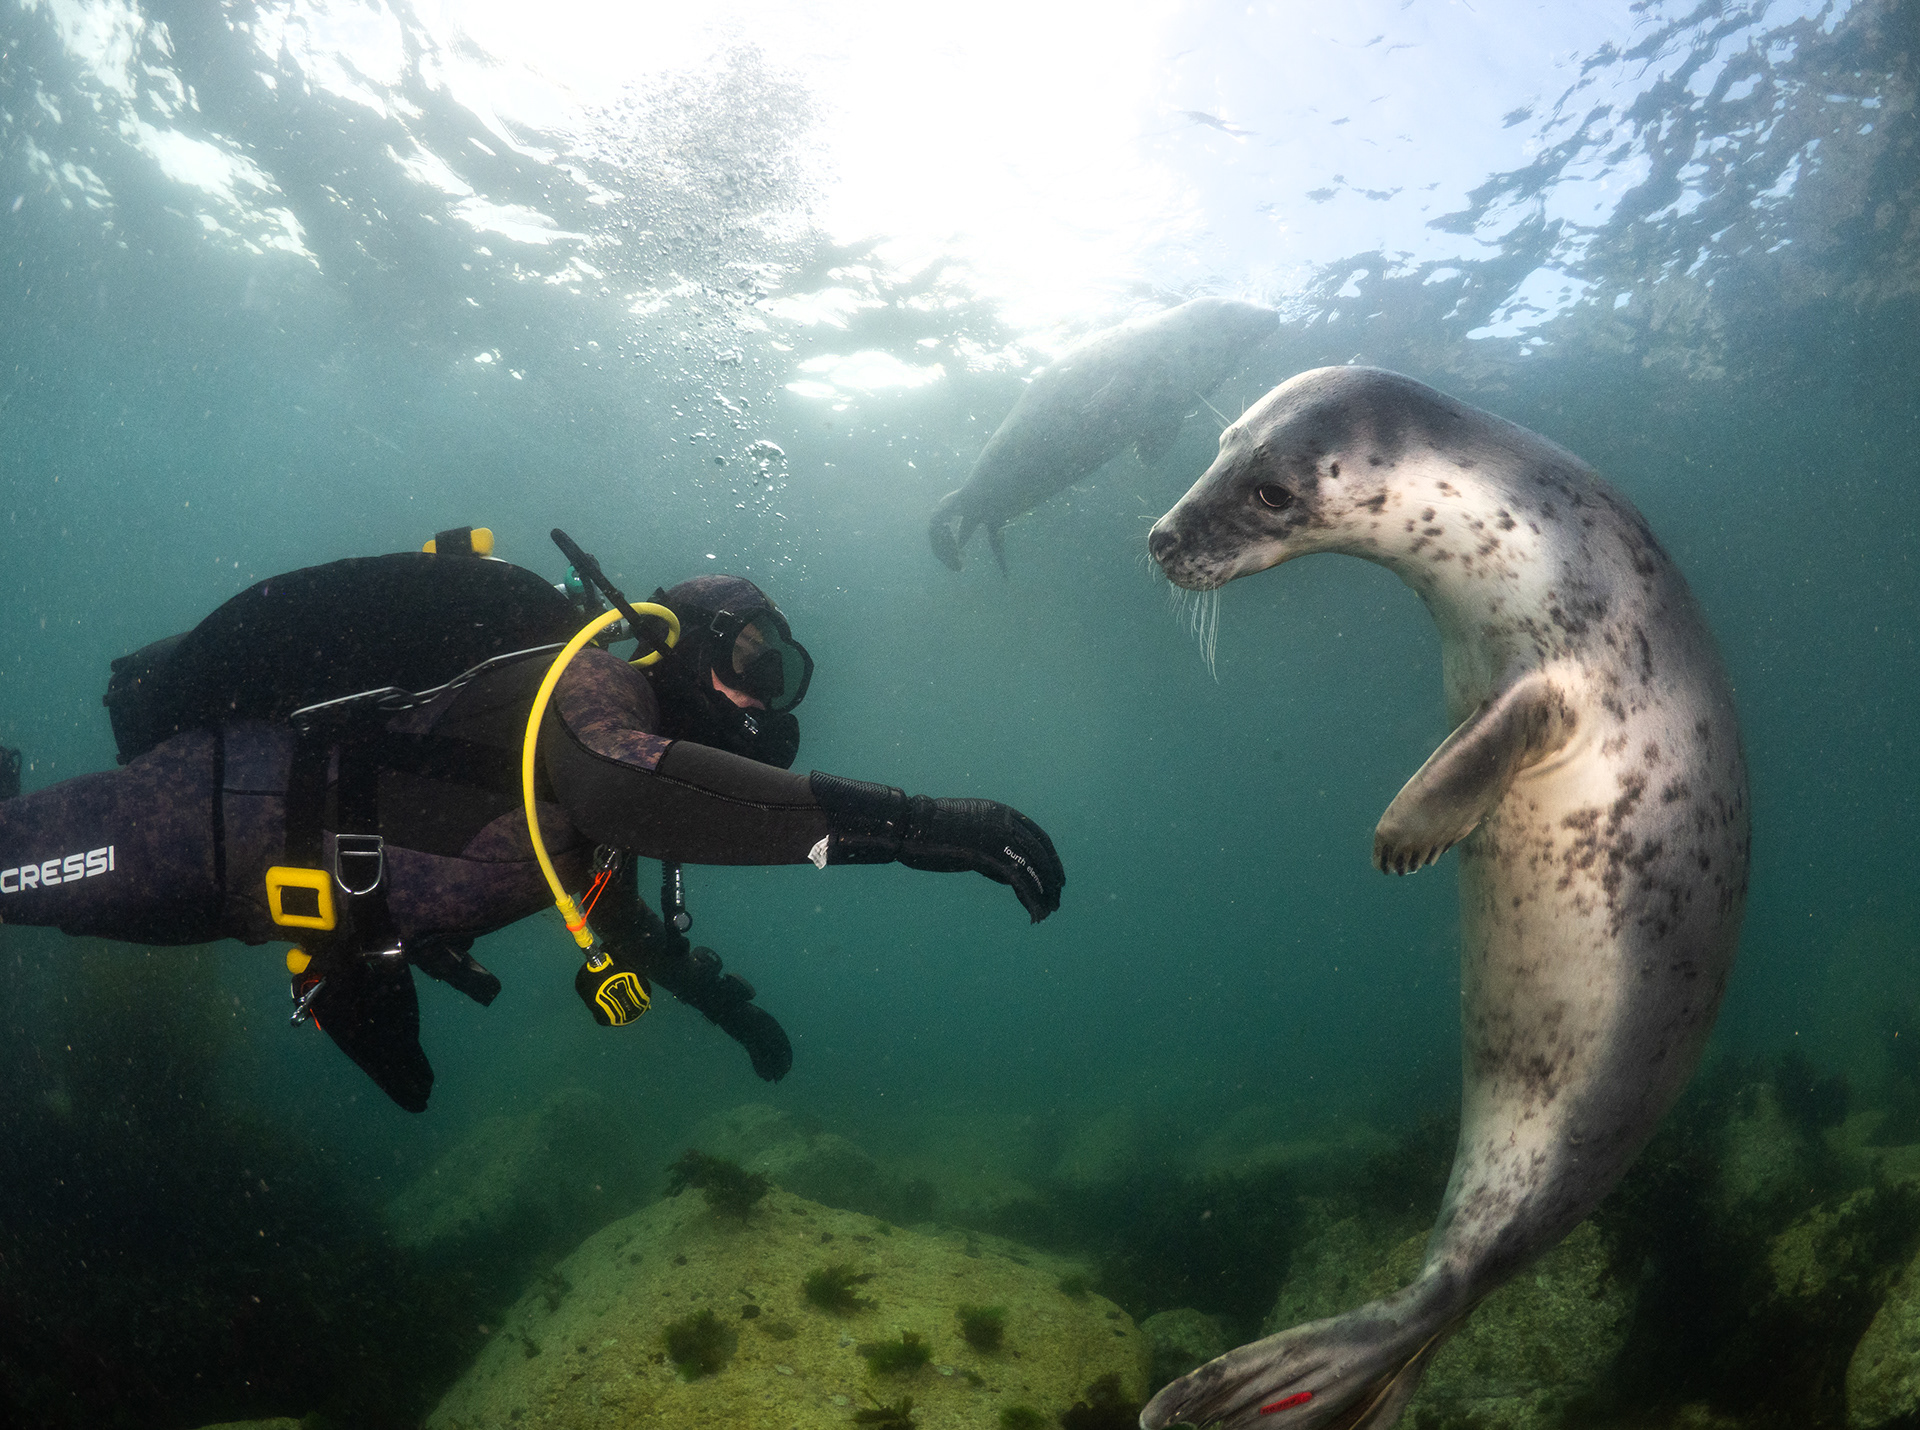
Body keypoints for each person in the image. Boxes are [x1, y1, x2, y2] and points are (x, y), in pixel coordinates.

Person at [0, 529, 1064, 1110]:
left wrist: (732, 1013)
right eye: (753, 664)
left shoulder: (611, 781)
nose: (764, 700)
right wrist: (926, 824)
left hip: (271, 904)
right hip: (197, 820)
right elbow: (630, 788)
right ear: (685, 646)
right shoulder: (592, 691)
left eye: (781, 676)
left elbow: (624, 921)